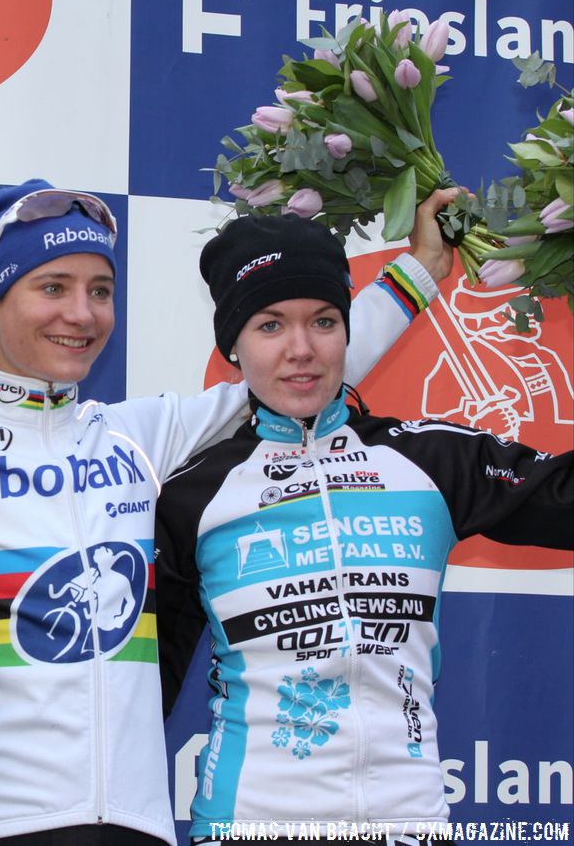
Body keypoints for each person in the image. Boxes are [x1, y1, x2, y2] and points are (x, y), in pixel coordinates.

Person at [0, 180, 463, 845]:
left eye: (101, 290)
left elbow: (304, 365)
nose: (81, 313)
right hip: (3, 825)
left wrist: (421, 270)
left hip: (142, 827)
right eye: (52, 287)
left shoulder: (139, 437)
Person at [154, 214, 573, 844]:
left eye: (324, 321)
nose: (302, 349)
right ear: (233, 345)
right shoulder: (194, 494)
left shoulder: (428, 459)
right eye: (271, 325)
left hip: (410, 823)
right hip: (248, 827)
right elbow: (138, 689)